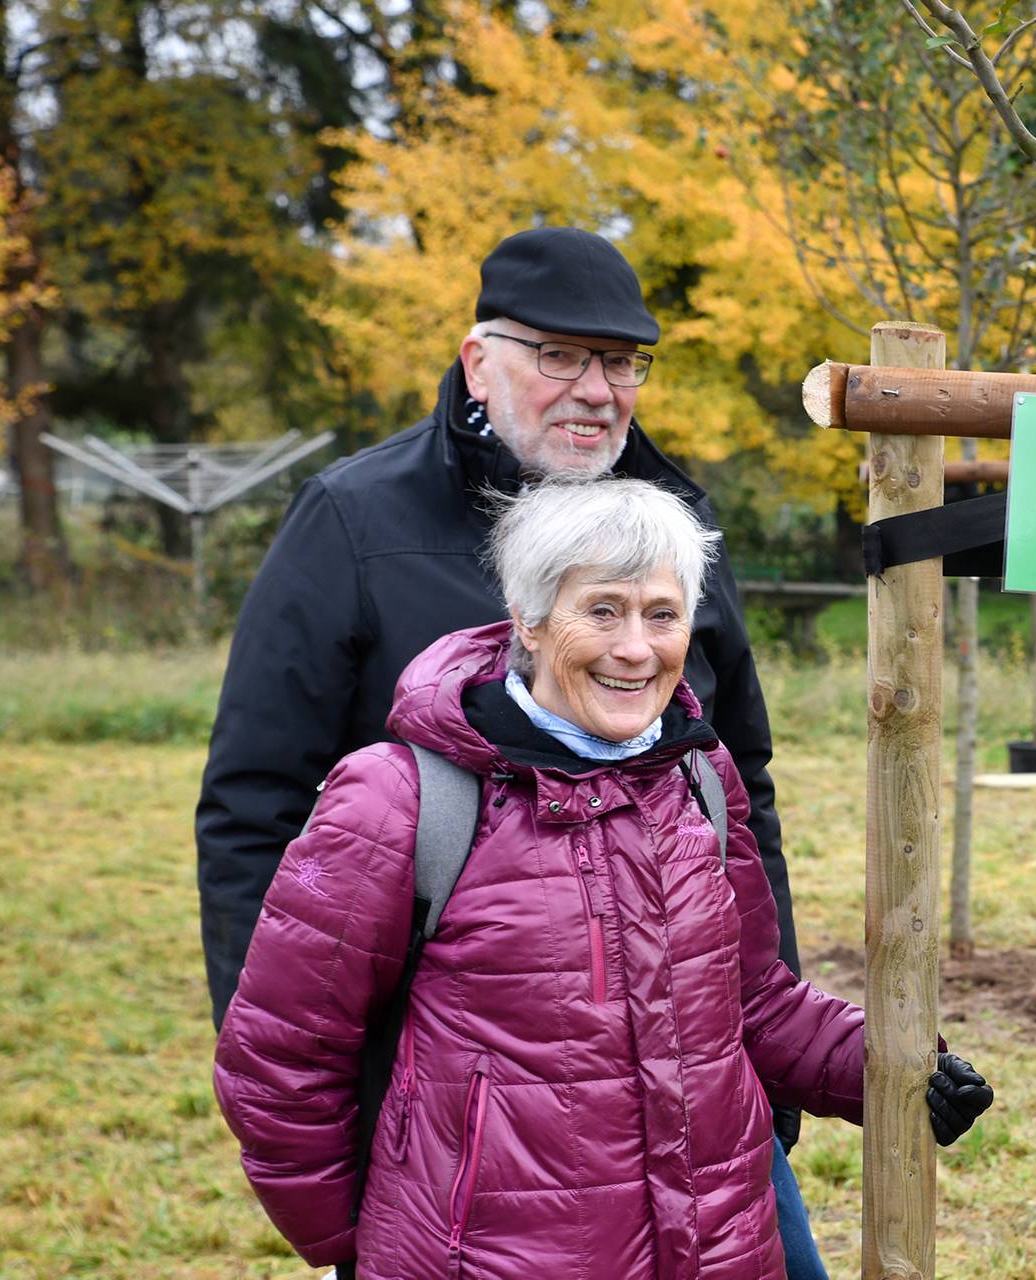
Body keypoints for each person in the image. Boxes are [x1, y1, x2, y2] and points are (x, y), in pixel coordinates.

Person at [193, 227, 836, 1275]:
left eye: (622, 361)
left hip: (693, 1099)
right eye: (558, 354)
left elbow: (740, 794)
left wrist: (762, 1059)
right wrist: (343, 1139)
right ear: (476, 359)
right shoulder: (355, 521)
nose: (595, 387)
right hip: (459, 1131)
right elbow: (254, 810)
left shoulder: (675, 530)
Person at [212, 480, 993, 1276]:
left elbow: (751, 999)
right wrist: (363, 1243)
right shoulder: (402, 799)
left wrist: (893, 1066)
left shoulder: (700, 780)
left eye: (662, 614)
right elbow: (280, 1058)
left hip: (716, 1249)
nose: (636, 648)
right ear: (529, 618)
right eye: (603, 610)